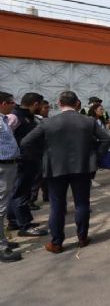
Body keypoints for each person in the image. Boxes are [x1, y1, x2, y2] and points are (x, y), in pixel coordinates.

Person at [21, 91, 110, 254]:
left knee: (57, 206)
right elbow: (106, 139)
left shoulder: (48, 123)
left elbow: (26, 142)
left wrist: (42, 157)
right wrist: (94, 157)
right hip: (82, 168)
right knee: (82, 203)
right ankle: (82, 238)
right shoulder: (88, 121)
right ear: (77, 103)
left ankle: (56, 243)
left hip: (55, 168)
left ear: (59, 103)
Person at [6, 92, 48, 237]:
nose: (43, 107)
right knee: (21, 194)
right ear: (36, 104)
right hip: (22, 161)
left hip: (30, 160)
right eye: (42, 104)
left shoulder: (29, 117)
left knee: (17, 192)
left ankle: (14, 221)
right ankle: (25, 225)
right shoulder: (15, 116)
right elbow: (5, 136)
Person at [0, 91, 22, 262]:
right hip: (2, 167)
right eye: (11, 102)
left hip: (9, 166)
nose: (14, 105)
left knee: (4, 206)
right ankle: (1, 247)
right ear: (2, 104)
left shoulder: (4, 120)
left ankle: (3, 240)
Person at [88, 103, 107, 188]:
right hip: (93, 144)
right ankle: (90, 179)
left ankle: (91, 179)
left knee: (96, 162)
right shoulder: (91, 120)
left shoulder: (100, 120)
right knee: (93, 162)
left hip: (100, 144)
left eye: (103, 109)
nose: (102, 111)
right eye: (101, 109)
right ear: (95, 110)